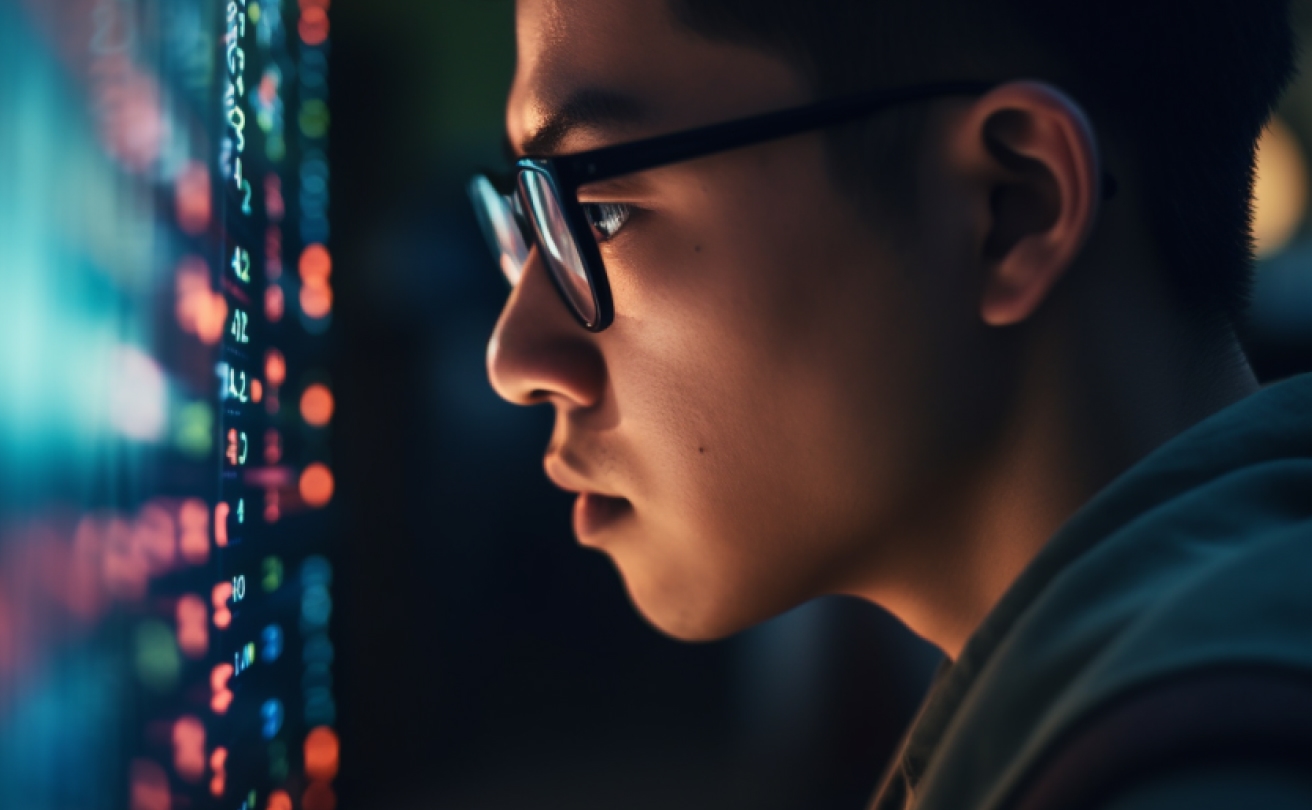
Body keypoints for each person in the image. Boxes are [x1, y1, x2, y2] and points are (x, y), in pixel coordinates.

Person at [469, 1, 1311, 807]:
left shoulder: (1197, 768)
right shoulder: (1125, 702)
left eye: (603, 213)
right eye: (525, 224)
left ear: (1011, 208)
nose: (515, 359)